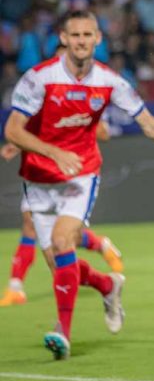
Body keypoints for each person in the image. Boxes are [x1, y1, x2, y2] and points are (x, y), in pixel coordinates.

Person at [4, 10, 154, 360]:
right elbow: (13, 130)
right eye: (75, 35)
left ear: (98, 39)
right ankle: (108, 285)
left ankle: (61, 333)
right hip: (38, 178)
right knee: (60, 265)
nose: (81, 41)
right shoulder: (39, 78)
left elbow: (150, 124)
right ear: (63, 39)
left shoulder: (110, 82)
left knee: (64, 242)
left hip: (81, 173)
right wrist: (52, 152)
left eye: (88, 35)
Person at [1, 126, 123, 307]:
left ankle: (100, 252)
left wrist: (74, 126)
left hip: (70, 173)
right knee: (31, 225)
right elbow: (33, 127)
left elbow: (103, 132)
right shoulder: (38, 102)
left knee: (61, 237)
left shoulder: (80, 102)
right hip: (38, 172)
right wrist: (19, 144)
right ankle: (15, 287)